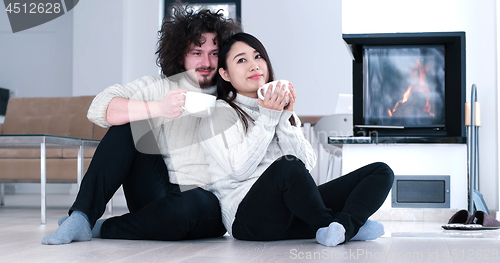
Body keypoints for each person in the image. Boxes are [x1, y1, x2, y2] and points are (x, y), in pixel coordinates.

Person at [42, 3, 241, 245]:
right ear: (180, 55)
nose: (207, 61)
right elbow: (99, 107)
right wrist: (158, 108)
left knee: (196, 202)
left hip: (204, 204)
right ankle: (82, 217)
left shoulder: (233, 94)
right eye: (197, 52)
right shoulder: (157, 86)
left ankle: (103, 227)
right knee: (128, 124)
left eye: (214, 53)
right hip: (156, 191)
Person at [197, 32, 394, 247]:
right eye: (242, 60)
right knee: (286, 167)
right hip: (249, 220)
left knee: (381, 171)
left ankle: (342, 227)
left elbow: (306, 166)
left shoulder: (278, 110)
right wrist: (269, 118)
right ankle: (337, 226)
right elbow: (238, 169)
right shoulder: (218, 113)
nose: (254, 66)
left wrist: (283, 119)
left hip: (294, 214)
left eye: (258, 57)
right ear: (225, 74)